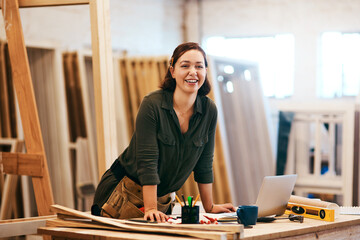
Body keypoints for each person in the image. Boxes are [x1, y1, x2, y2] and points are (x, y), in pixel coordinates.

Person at [91, 42, 236, 222]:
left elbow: (205, 162)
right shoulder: (152, 104)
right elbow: (147, 160)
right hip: (120, 196)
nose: (193, 72)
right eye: (185, 66)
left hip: (160, 202)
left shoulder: (209, 110)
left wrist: (210, 207)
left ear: (206, 71)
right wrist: (150, 208)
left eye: (199, 66)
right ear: (173, 71)